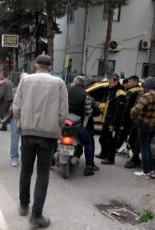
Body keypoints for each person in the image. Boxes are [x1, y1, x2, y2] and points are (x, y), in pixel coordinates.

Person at [13, 55, 68, 228]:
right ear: (51, 67)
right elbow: (63, 112)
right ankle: (36, 215)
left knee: (26, 171)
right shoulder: (59, 83)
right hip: (48, 135)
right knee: (43, 174)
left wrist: (21, 124)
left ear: (36, 66)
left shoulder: (26, 80)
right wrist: (56, 128)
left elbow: (16, 106)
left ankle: (23, 205)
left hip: (28, 133)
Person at [131, 77, 155, 179]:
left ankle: (145, 171)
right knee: (148, 148)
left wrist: (133, 118)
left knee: (144, 148)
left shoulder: (147, 96)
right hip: (154, 126)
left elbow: (136, 109)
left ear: (147, 85)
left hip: (144, 125)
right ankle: (151, 170)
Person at [68, 76, 98, 176]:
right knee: (88, 141)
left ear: (74, 82)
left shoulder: (65, 92)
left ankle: (51, 161)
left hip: (63, 125)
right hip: (77, 127)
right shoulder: (86, 95)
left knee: (54, 140)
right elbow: (89, 112)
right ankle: (89, 166)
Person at [96, 74, 126, 165]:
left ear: (116, 82)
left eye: (111, 82)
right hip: (107, 119)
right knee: (102, 139)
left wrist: (113, 123)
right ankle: (103, 154)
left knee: (111, 141)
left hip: (113, 121)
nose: (109, 83)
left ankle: (110, 159)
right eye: (108, 81)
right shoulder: (111, 91)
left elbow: (118, 110)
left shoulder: (120, 93)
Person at [122, 76, 143, 168]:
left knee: (135, 141)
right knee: (131, 140)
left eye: (130, 81)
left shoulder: (138, 93)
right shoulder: (139, 93)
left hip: (140, 121)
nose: (129, 83)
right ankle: (135, 158)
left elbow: (136, 108)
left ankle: (136, 159)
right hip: (135, 121)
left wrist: (130, 117)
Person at [10, 73, 27, 167]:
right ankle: (14, 157)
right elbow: (16, 102)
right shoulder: (15, 90)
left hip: (27, 118)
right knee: (14, 139)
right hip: (15, 118)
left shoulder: (31, 91)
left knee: (26, 140)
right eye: (23, 79)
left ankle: (25, 158)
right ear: (19, 81)